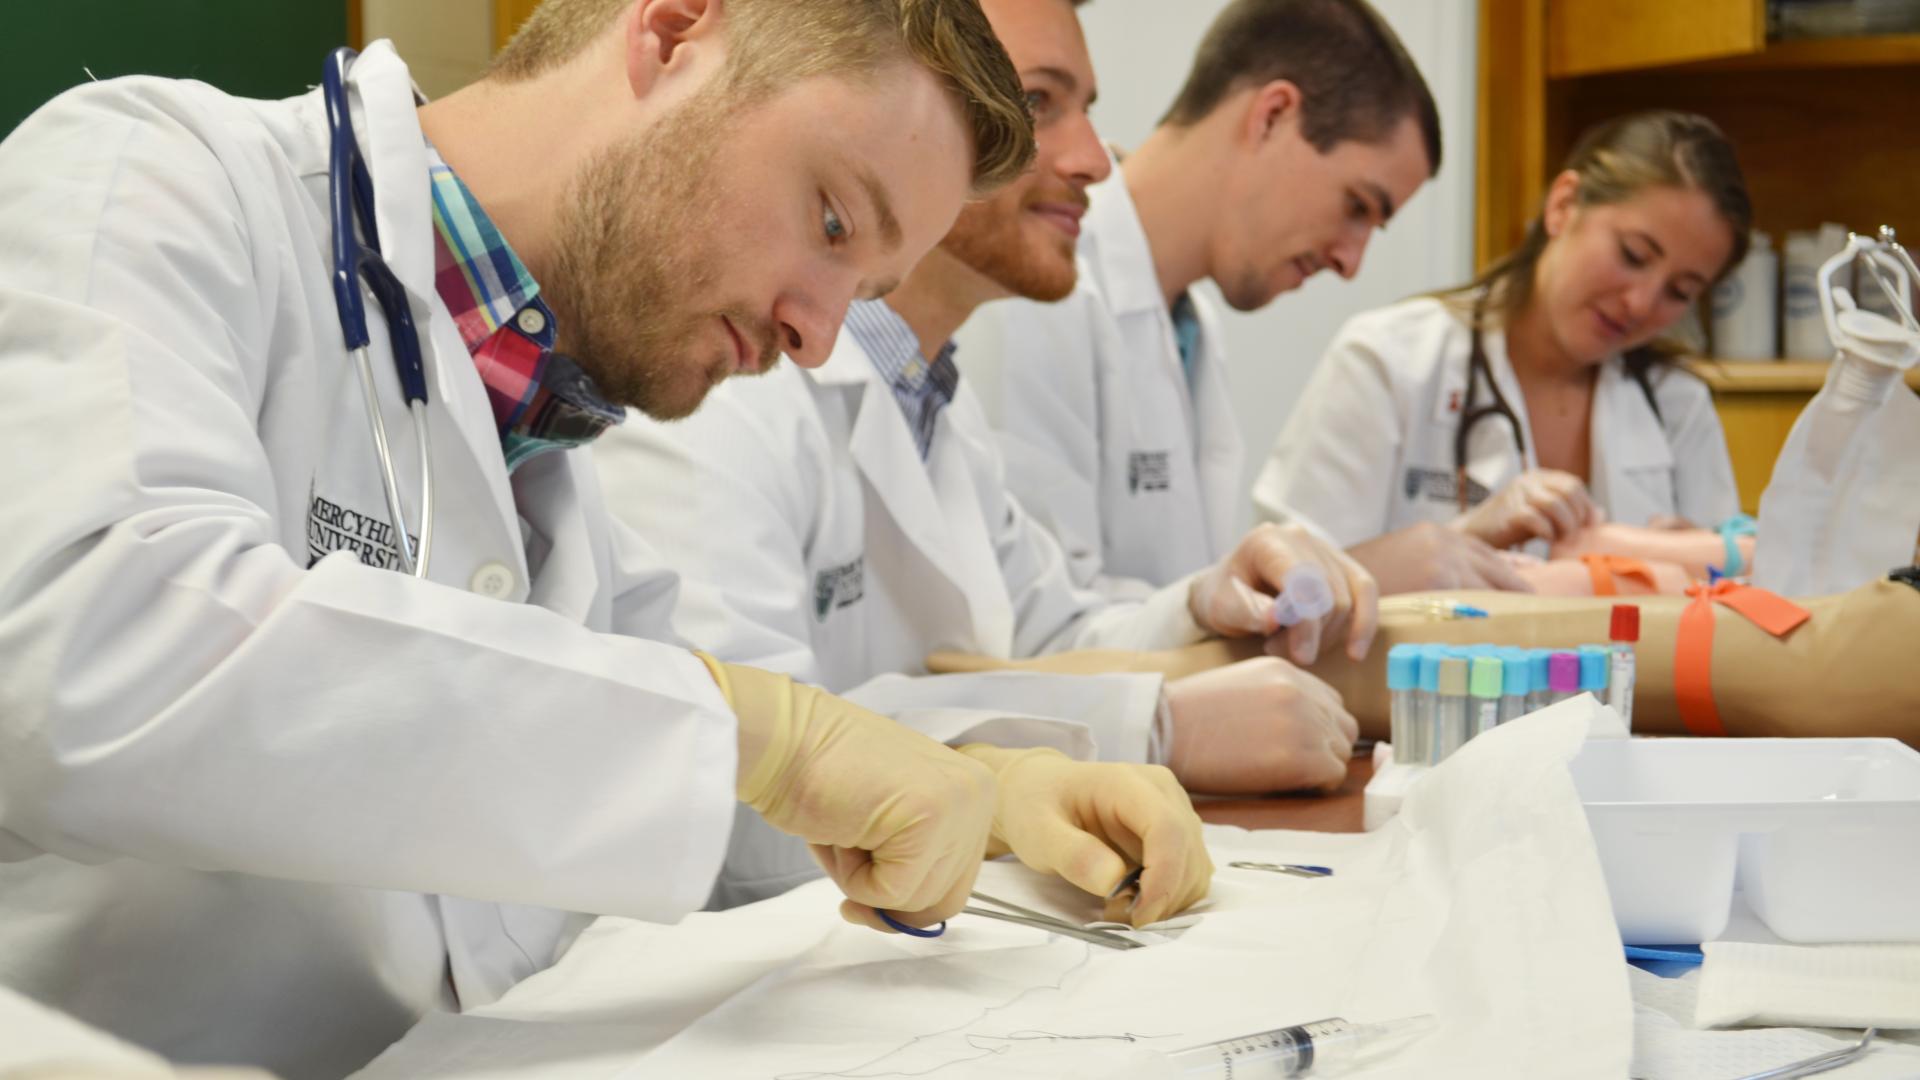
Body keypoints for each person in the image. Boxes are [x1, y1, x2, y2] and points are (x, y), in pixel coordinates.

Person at [0, 1, 1198, 1075]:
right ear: (672, 35)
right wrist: (758, 735)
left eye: (867, 295)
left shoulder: (547, 441)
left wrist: (982, 791)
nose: (820, 339)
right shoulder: (147, 177)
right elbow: (90, 645)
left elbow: (690, 782)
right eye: (832, 219)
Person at [596, 0, 1374, 915]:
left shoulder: (933, 403)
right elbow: (740, 783)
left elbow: (1046, 636)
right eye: (1039, 104)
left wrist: (1200, 601)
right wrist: (1149, 729)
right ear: (900, 108)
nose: (1096, 160)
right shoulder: (722, 382)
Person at [954, 0, 1444, 599]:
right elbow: (1039, 620)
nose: (1350, 261)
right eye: (1356, 207)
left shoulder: (1191, 326)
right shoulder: (1031, 282)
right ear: (1272, 117)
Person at [1253, 111, 1751, 593]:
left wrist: (1690, 569)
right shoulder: (1391, 361)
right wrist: (1461, 541)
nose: (1641, 302)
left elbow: (1737, 595)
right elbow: (1287, 589)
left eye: (1681, 292)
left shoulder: (1676, 407)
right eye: (1633, 255)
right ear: (1563, 205)